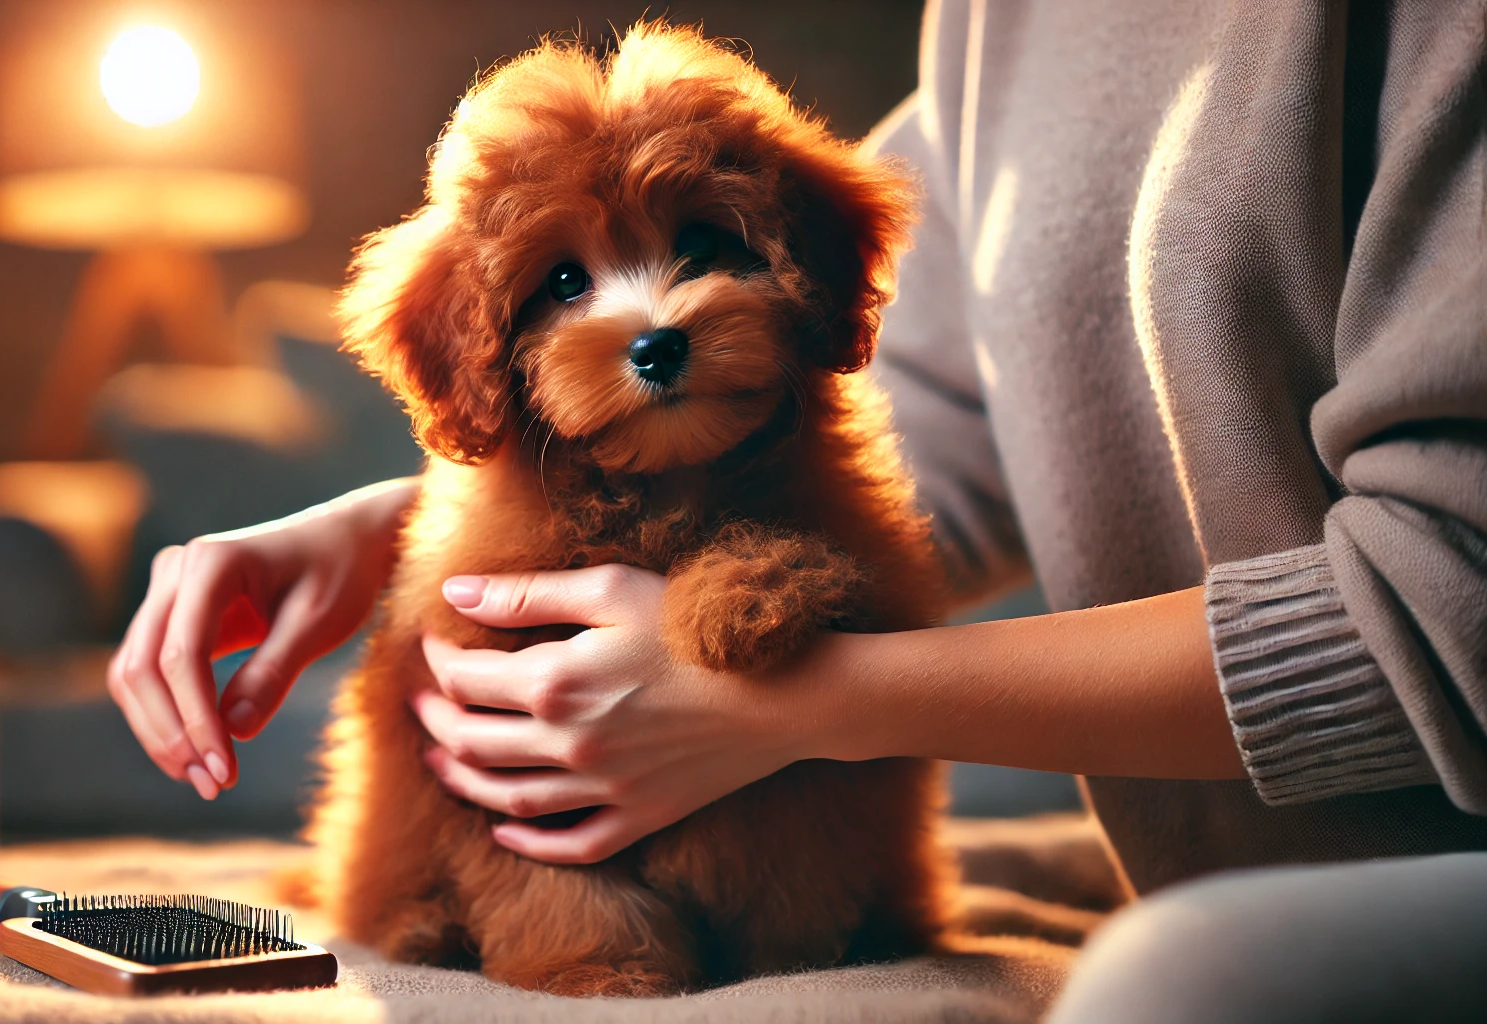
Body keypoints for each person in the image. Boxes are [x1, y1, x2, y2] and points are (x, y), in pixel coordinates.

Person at [107, 1, 1487, 1019]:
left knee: (1183, 988)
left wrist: (804, 699)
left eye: (702, 247)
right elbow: (934, 443)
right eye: (571, 284)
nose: (649, 313)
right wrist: (400, 521)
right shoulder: (1002, 23)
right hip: (1191, 863)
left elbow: (1449, 598)